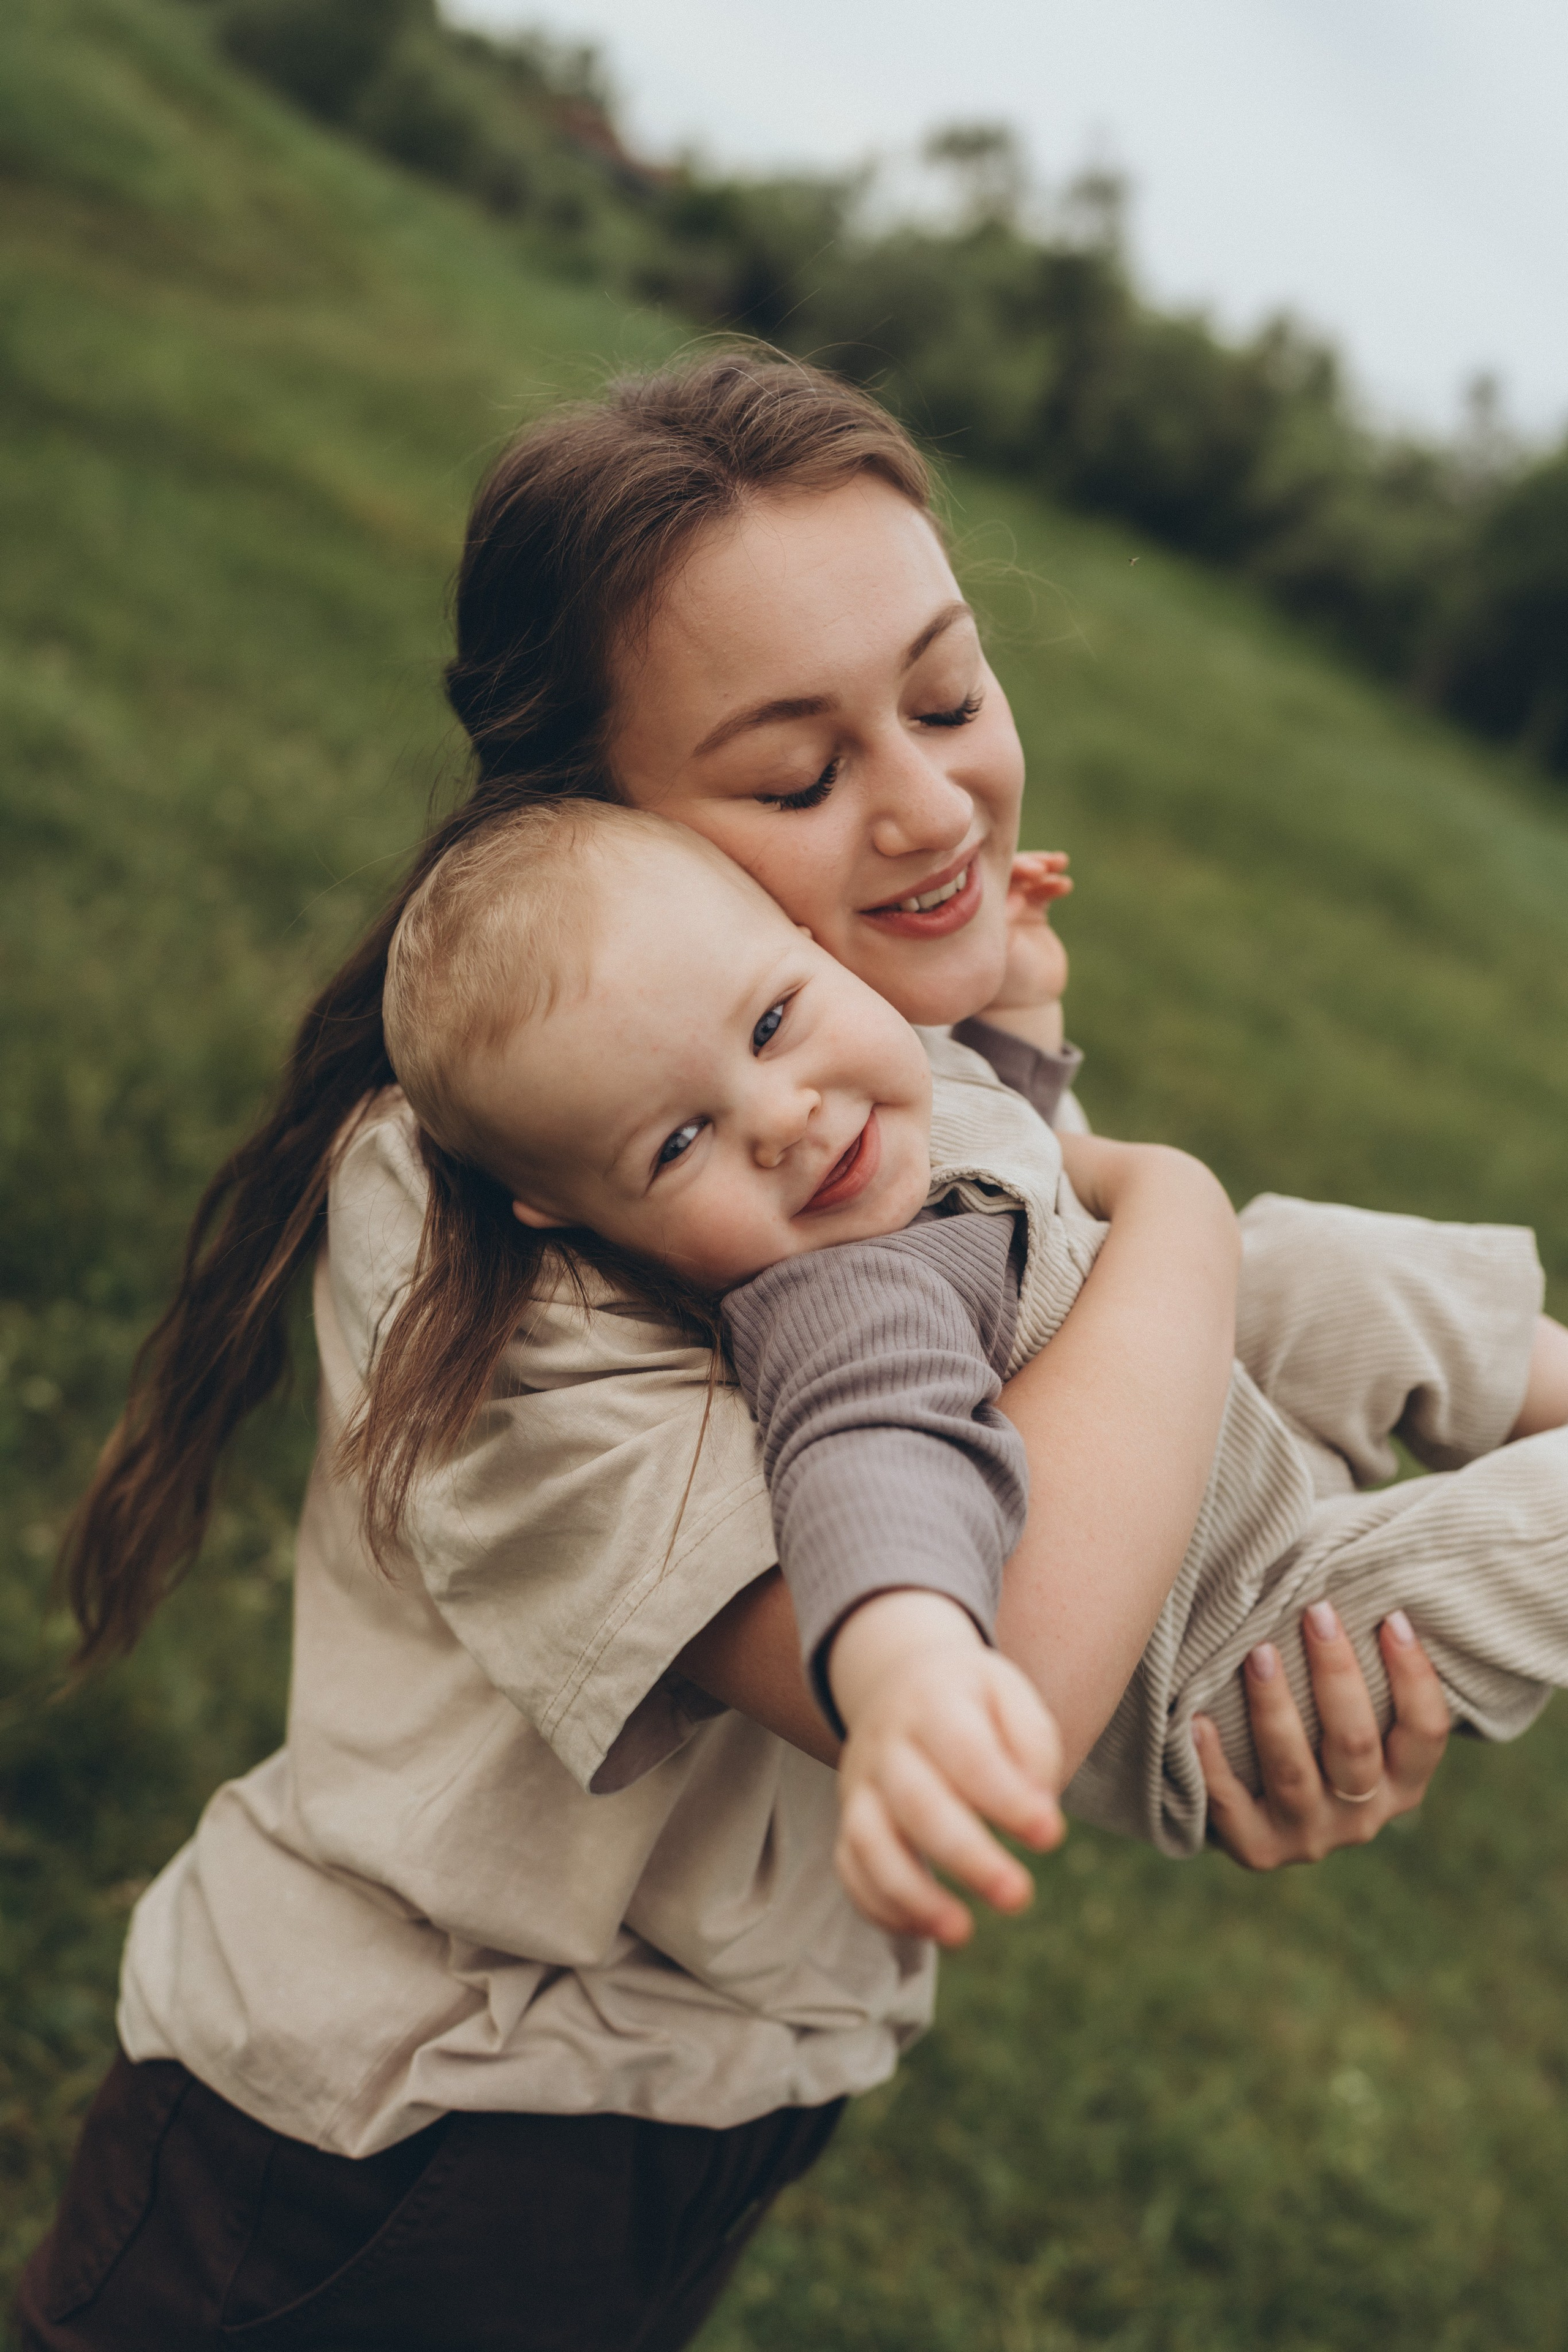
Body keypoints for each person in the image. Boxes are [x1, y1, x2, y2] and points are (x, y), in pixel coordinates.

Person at [18, 354, 1458, 2351]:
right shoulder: (466, 1234)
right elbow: (1000, 1660)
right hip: (378, 2153)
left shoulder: (875, 1087)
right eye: (798, 776)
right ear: (599, 833)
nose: (935, 801)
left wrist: (1251, 1697)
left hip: (711, 2108)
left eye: (948, 695)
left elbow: (1075, 1385)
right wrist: (1187, 1203)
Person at [375, 796, 1568, 1933]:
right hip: (1235, 1645)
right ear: (571, 1216)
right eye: (679, 1142)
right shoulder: (841, 1296)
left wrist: (1021, 1008)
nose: (784, 1116)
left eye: (770, 1023)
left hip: (1227, 1418)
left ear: (799, 940)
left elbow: (1019, 1148)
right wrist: (907, 1667)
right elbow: (876, 1472)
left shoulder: (895, 1090)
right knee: (1535, 1537)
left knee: (1309, 1265)